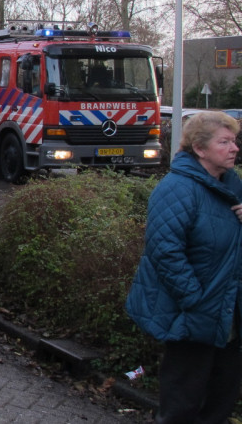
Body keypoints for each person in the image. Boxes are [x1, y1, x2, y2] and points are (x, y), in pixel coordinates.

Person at [126, 111, 242, 424]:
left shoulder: (233, 187)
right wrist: (196, 300)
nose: (234, 148)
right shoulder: (177, 188)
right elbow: (165, 252)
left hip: (230, 318)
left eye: (234, 141)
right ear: (200, 149)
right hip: (193, 317)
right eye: (224, 142)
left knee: (220, 404)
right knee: (182, 407)